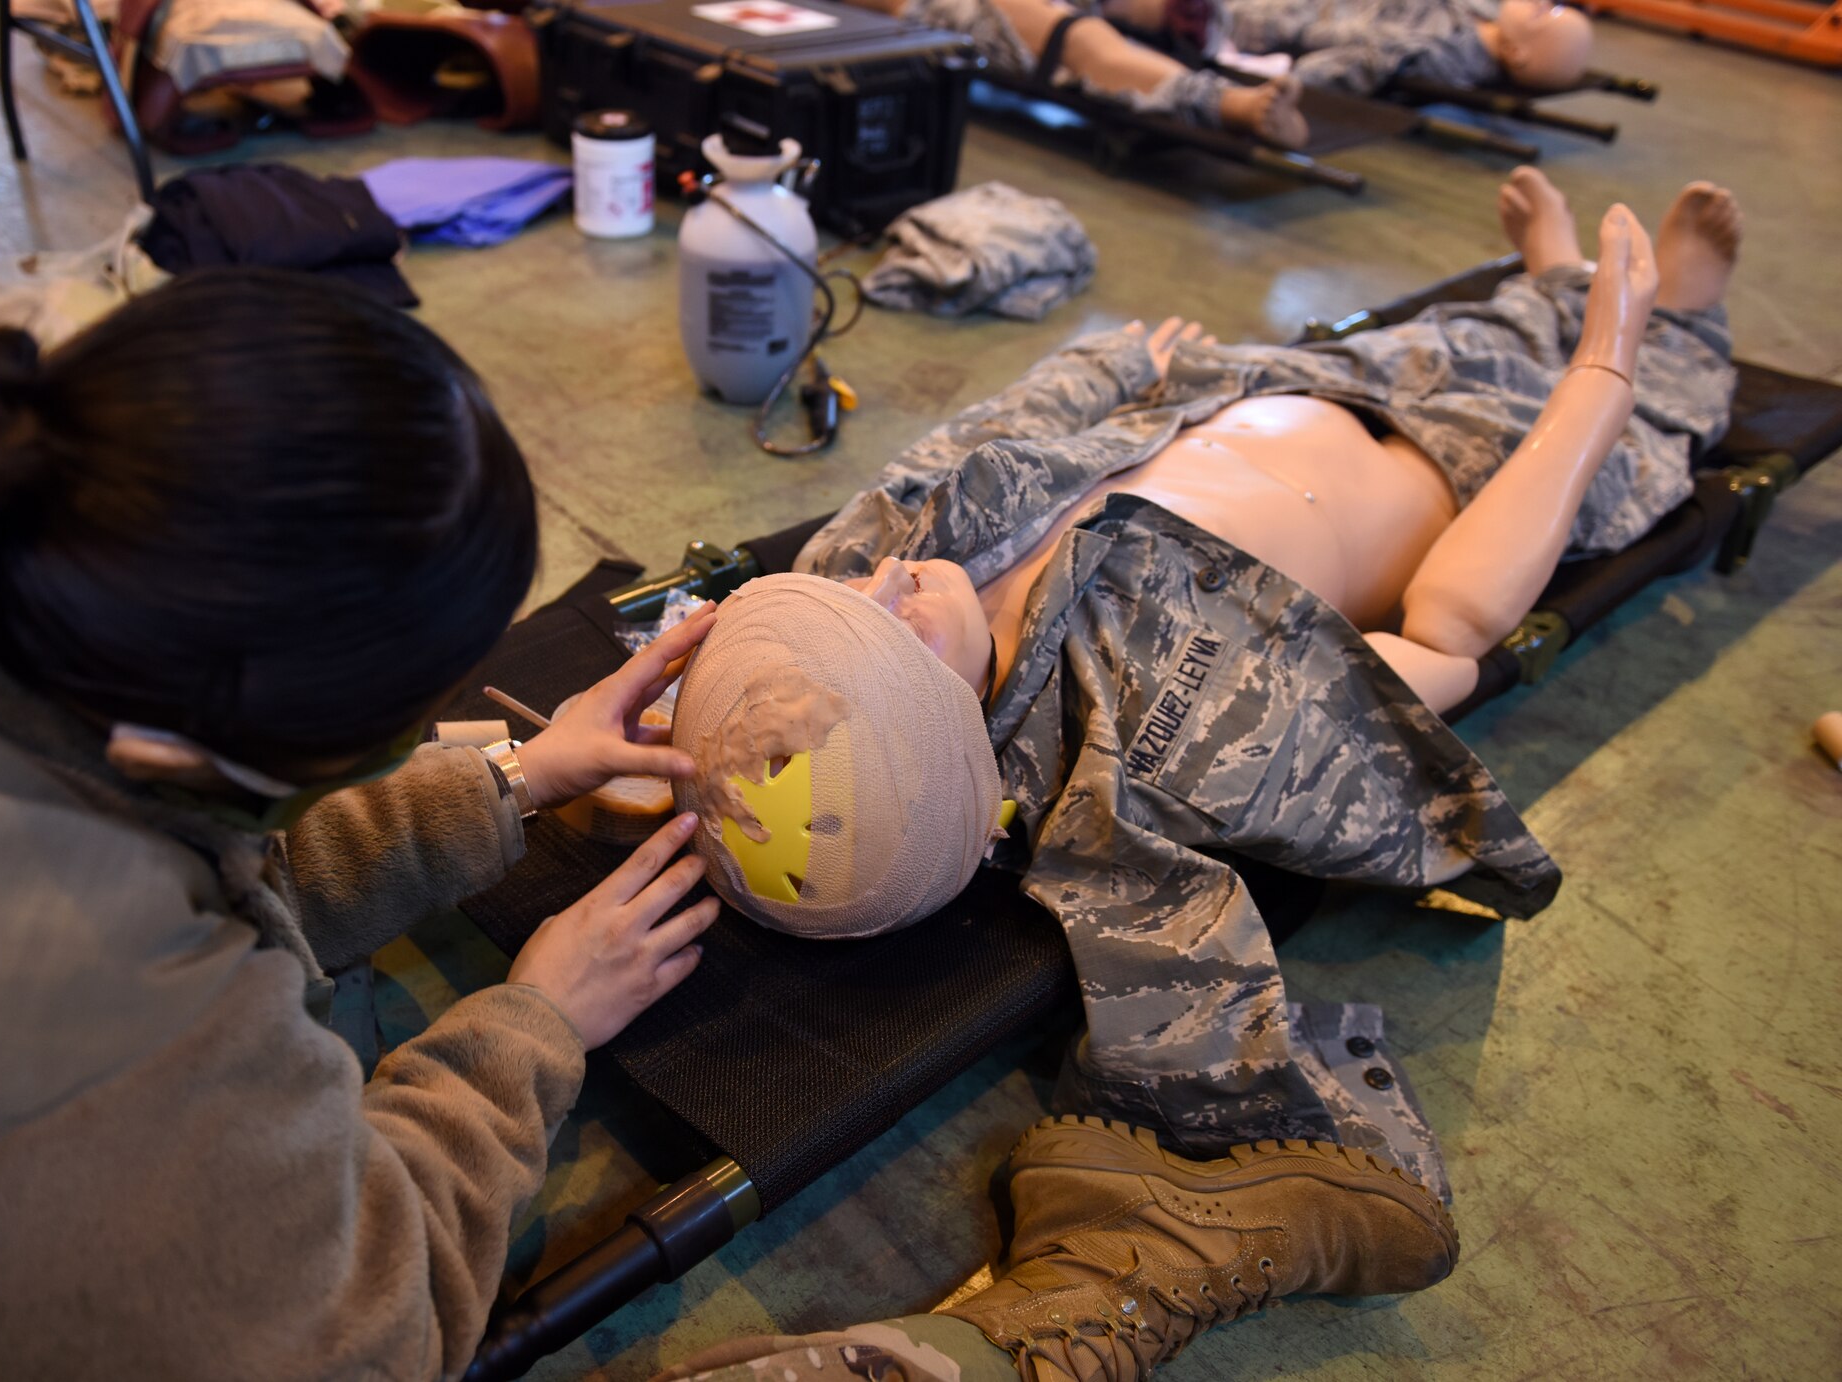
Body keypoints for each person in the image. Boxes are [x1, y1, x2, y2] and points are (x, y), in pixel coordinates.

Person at [670, 170, 1743, 1203]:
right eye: (890, 635)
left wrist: (1101, 372)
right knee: (1632, 406)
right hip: (1473, 468)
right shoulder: (1137, 728)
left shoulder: (885, 554)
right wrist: (1600, 369)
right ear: (945, 745)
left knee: (1477, 331)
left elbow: (974, 438)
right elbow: (1450, 636)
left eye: (859, 594)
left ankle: (1547, 286)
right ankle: (1664, 319)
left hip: (1268, 388)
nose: (887, 579)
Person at [0, 268, 732, 1380]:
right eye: (396, 726)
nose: (424, 739)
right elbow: (361, 1337)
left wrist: (511, 775)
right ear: (185, 743)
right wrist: (532, 1024)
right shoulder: (97, 1037)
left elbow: (189, 829)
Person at [845, 0, 1312, 146]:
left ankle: (1214, 87)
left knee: (1089, 28)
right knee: (1079, 39)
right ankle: (1229, 104)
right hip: (933, 8)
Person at [1216, 0, 1597, 98]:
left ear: (1516, 53)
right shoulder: (1487, 12)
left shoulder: (1447, 55)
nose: (1543, 4)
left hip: (1304, 19)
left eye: (1546, 16)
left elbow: (1364, 58)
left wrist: (1280, 77)